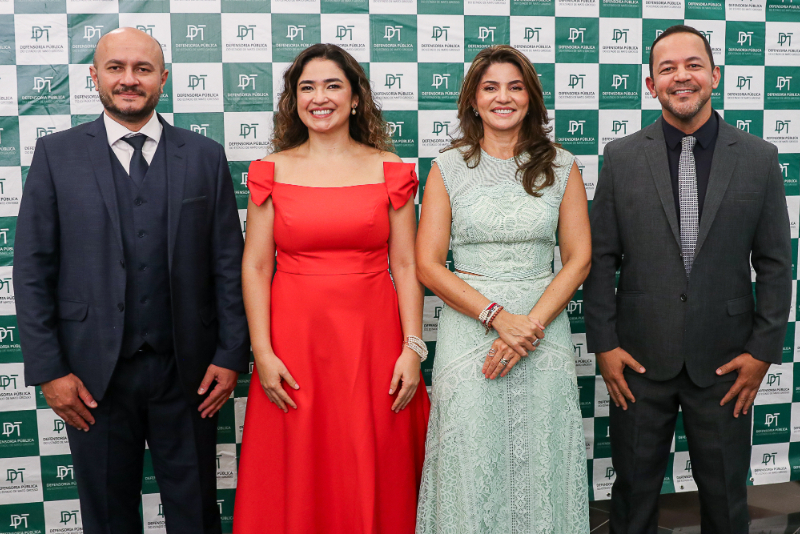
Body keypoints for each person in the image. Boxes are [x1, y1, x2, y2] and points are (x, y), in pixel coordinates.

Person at [14, 27, 249, 534]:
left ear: (163, 78)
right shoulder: (57, 155)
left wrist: (231, 355)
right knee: (107, 519)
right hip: (91, 379)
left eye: (142, 69)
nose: (129, 80)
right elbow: (32, 270)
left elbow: (228, 265)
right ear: (94, 76)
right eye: (116, 68)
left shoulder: (204, 157)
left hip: (188, 375)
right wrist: (50, 371)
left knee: (195, 516)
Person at [583, 25, 792, 534]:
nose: (682, 76)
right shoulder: (621, 156)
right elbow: (600, 258)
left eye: (694, 65)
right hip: (636, 360)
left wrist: (763, 352)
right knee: (632, 498)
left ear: (714, 75)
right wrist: (605, 346)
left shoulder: (760, 158)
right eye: (667, 68)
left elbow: (774, 264)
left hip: (726, 363)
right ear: (650, 84)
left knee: (725, 498)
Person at [233, 43, 430, 534]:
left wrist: (412, 348)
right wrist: (262, 351)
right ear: (294, 100)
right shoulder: (270, 171)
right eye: (307, 87)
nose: (319, 98)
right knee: (299, 461)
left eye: (332, 85)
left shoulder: (390, 169)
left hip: (373, 342)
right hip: (294, 344)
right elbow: (256, 266)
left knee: (370, 456)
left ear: (356, 98)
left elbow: (406, 265)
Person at [415, 45, 591, 533]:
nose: (503, 97)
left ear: (531, 98)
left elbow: (579, 260)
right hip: (471, 330)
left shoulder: (562, 164)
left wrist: (527, 328)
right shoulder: (447, 168)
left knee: (543, 453)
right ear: (473, 100)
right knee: (470, 456)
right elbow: (429, 265)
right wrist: (498, 318)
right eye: (490, 87)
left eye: (515, 87)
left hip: (543, 330)